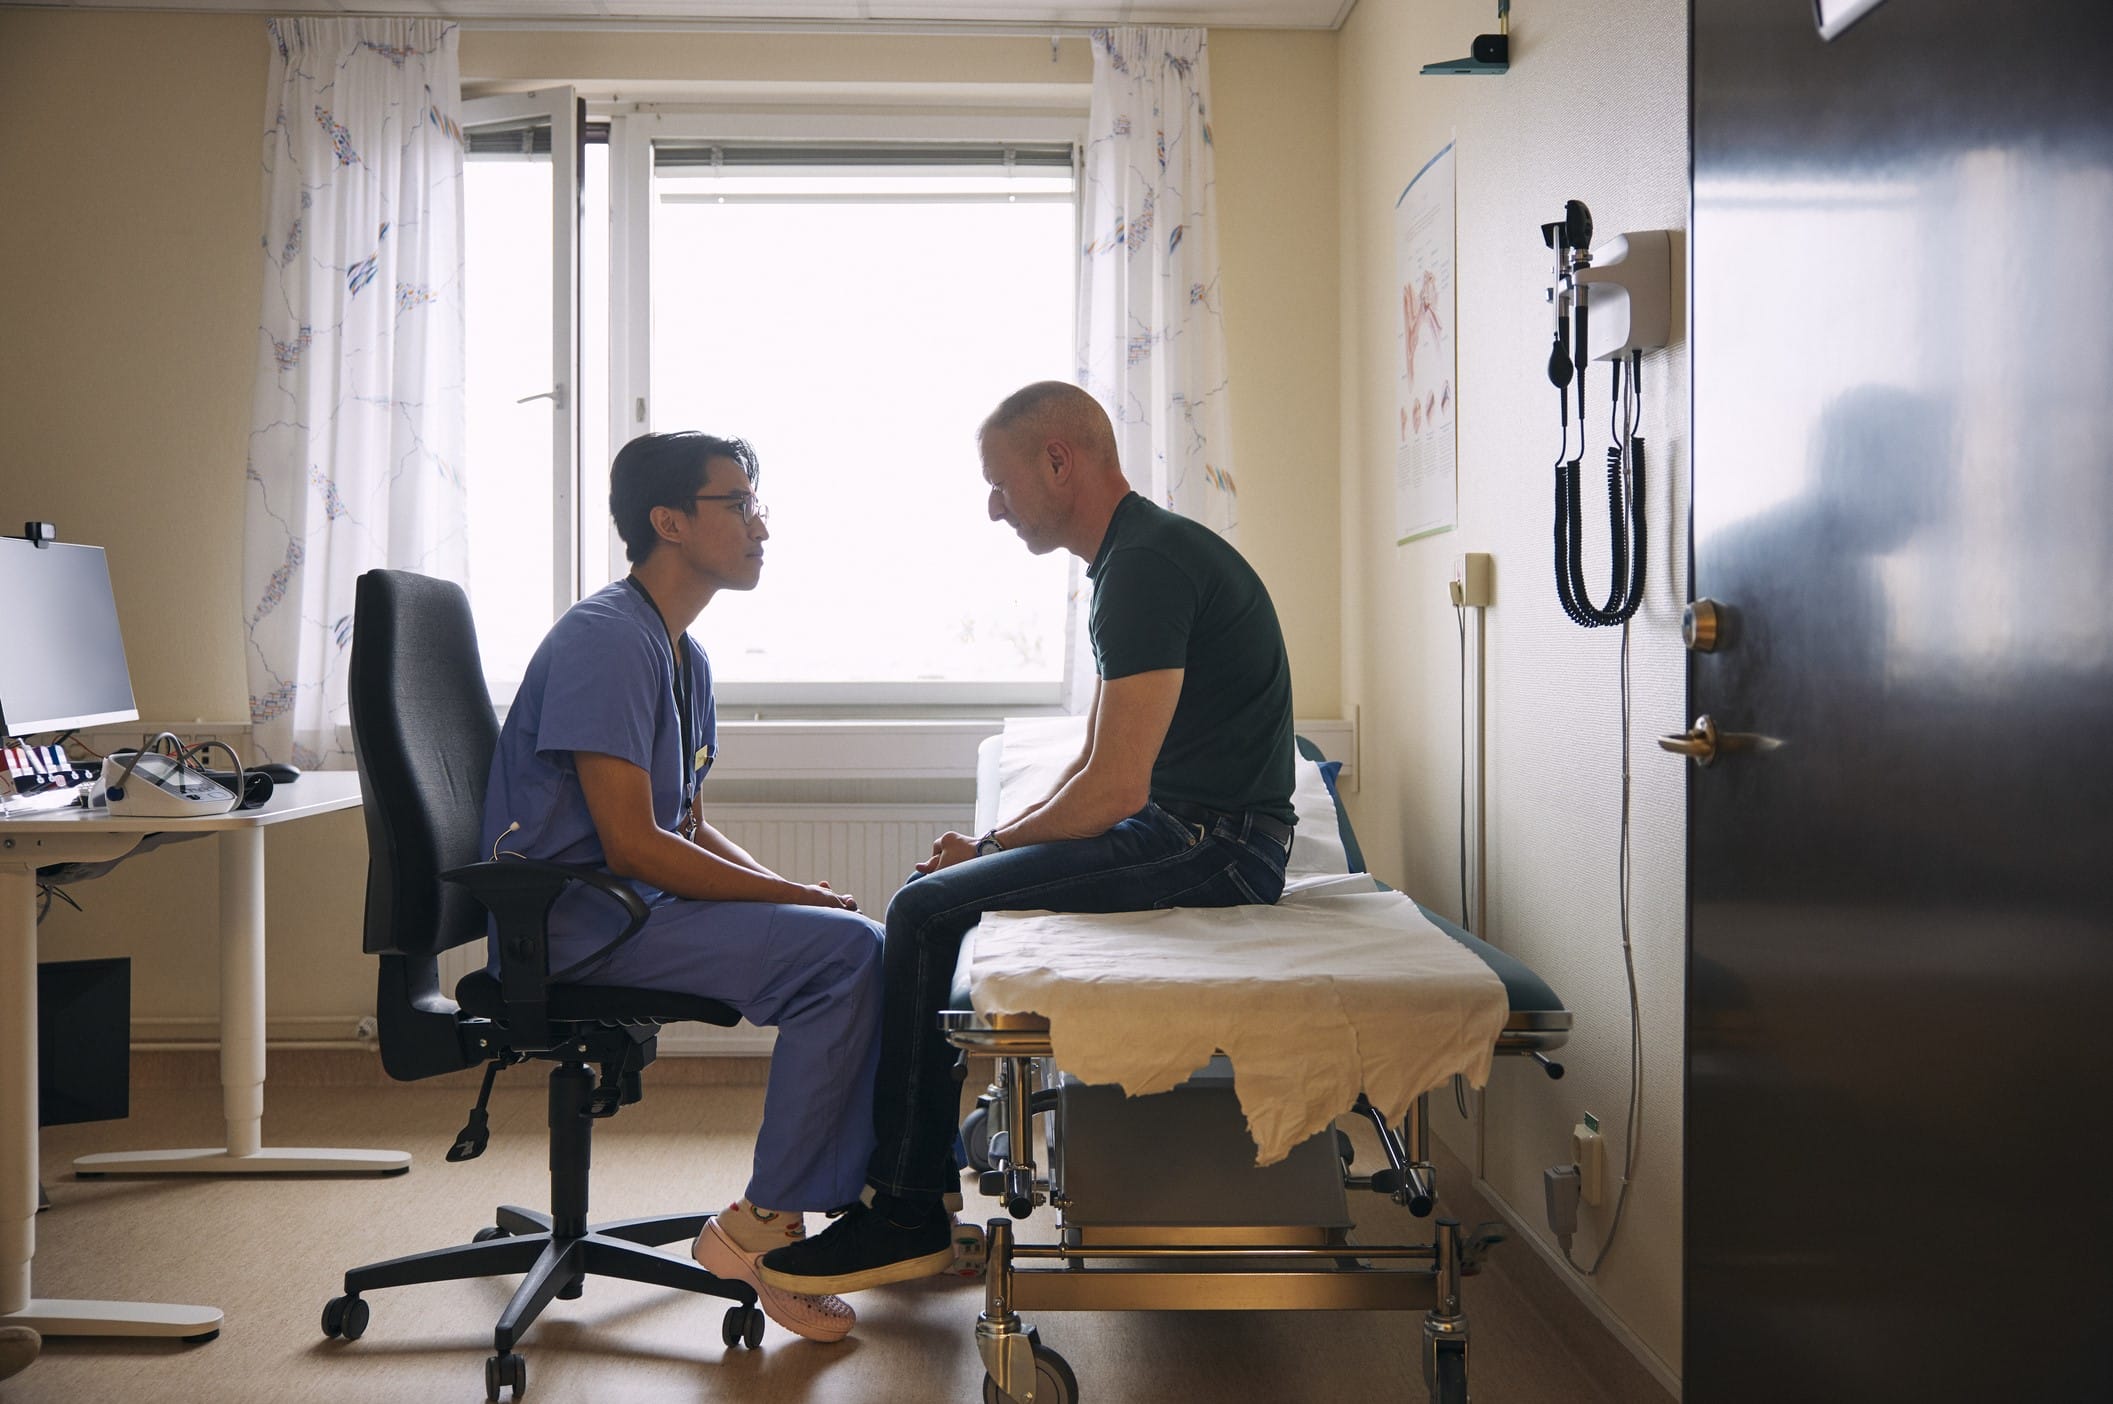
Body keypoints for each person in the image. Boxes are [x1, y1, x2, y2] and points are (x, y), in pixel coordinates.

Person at [759, 380, 1297, 1295]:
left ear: (1059, 461)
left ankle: (901, 1211)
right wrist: (996, 844)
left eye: (1000, 484)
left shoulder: (1146, 568)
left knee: (924, 911)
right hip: (1203, 829)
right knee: (936, 902)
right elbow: (1097, 761)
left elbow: (1116, 791)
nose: (993, 507)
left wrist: (990, 850)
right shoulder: (1131, 561)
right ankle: (897, 1193)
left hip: (1221, 845)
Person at [481, 431, 883, 1343]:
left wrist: (789, 889)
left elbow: (688, 823)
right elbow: (632, 841)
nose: (760, 525)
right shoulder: (606, 641)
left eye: (756, 503)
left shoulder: (679, 654)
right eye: (735, 504)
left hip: (630, 908)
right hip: (578, 923)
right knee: (846, 957)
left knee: (865, 938)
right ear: (668, 522)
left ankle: (898, 1207)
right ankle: (765, 1230)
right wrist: (790, 904)